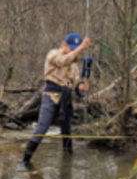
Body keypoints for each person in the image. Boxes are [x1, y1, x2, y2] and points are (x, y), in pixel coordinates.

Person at [22, 33, 91, 168]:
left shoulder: (74, 66)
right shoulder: (53, 54)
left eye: (75, 48)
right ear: (65, 45)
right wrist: (82, 47)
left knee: (67, 130)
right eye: (72, 48)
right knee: (42, 128)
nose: (73, 51)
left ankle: (68, 156)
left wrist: (81, 87)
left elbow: (75, 84)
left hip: (65, 98)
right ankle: (25, 161)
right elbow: (62, 61)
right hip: (50, 96)